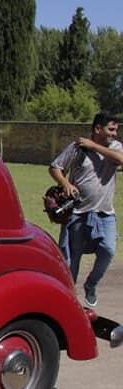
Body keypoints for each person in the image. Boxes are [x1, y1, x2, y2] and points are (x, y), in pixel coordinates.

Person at [49, 112, 123, 307]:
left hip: (105, 214)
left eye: (116, 130)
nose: (115, 134)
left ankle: (91, 285)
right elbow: (55, 167)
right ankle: (67, 304)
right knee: (70, 263)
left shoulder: (115, 148)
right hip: (77, 214)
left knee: (108, 249)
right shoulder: (78, 148)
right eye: (111, 129)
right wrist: (65, 183)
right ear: (98, 129)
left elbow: (121, 159)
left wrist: (95, 147)